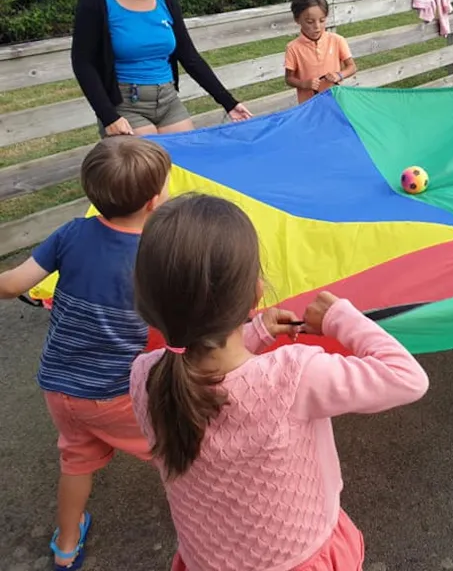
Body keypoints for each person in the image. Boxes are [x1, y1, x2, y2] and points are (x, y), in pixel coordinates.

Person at [128, 194, 430, 571]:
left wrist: (254, 333)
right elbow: (407, 378)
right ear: (256, 290)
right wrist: (339, 317)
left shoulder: (144, 374)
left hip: (206, 557)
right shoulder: (292, 376)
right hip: (298, 556)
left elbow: (207, 366)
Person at [0, 136, 171, 570]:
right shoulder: (156, 253)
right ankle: (209, 518)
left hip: (59, 387)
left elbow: (12, 285)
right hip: (116, 394)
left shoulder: (71, 233)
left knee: (76, 460)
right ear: (154, 201)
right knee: (172, 452)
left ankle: (66, 547)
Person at [71, 0, 253, 137]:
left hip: (168, 100)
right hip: (124, 104)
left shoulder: (166, 0)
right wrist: (109, 117)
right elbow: (83, 63)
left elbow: (189, 56)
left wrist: (229, 103)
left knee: (185, 162)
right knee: (150, 166)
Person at [284, 0, 358, 105]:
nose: (317, 27)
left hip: (336, 102)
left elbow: (352, 67)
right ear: (297, 19)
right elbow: (289, 78)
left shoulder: (337, 40)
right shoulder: (293, 48)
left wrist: (339, 75)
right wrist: (304, 84)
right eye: (310, 22)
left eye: (322, 20)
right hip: (309, 107)